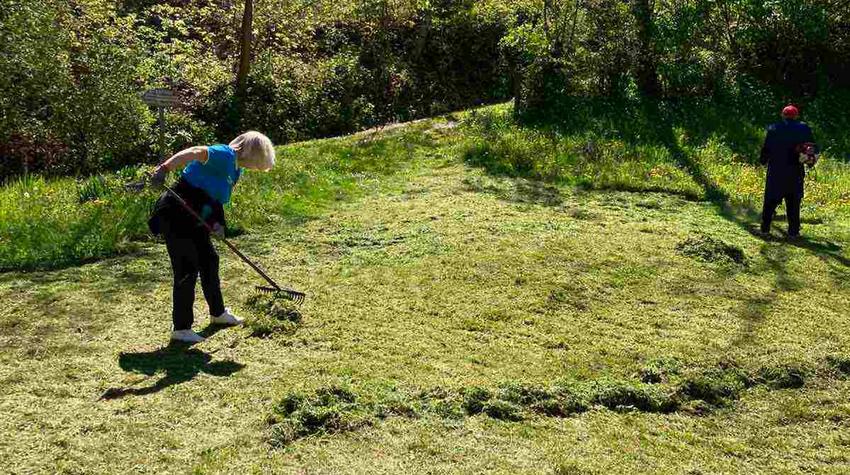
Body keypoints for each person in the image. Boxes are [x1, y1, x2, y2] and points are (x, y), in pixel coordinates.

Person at [147, 131, 276, 344]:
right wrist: (164, 169)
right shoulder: (224, 154)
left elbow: (215, 200)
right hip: (177, 211)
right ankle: (181, 328)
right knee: (187, 268)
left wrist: (218, 224)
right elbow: (194, 152)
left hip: (198, 216)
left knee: (209, 260)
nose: (258, 166)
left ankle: (218, 314)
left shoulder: (235, 170)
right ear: (252, 151)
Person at [759, 105, 818, 238]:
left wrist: (763, 161)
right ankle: (793, 232)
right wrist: (809, 164)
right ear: (796, 116)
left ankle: (765, 229)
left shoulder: (773, 128)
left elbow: (766, 148)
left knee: (770, 201)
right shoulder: (803, 128)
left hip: (776, 170)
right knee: (793, 203)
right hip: (795, 171)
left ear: (782, 115)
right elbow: (812, 148)